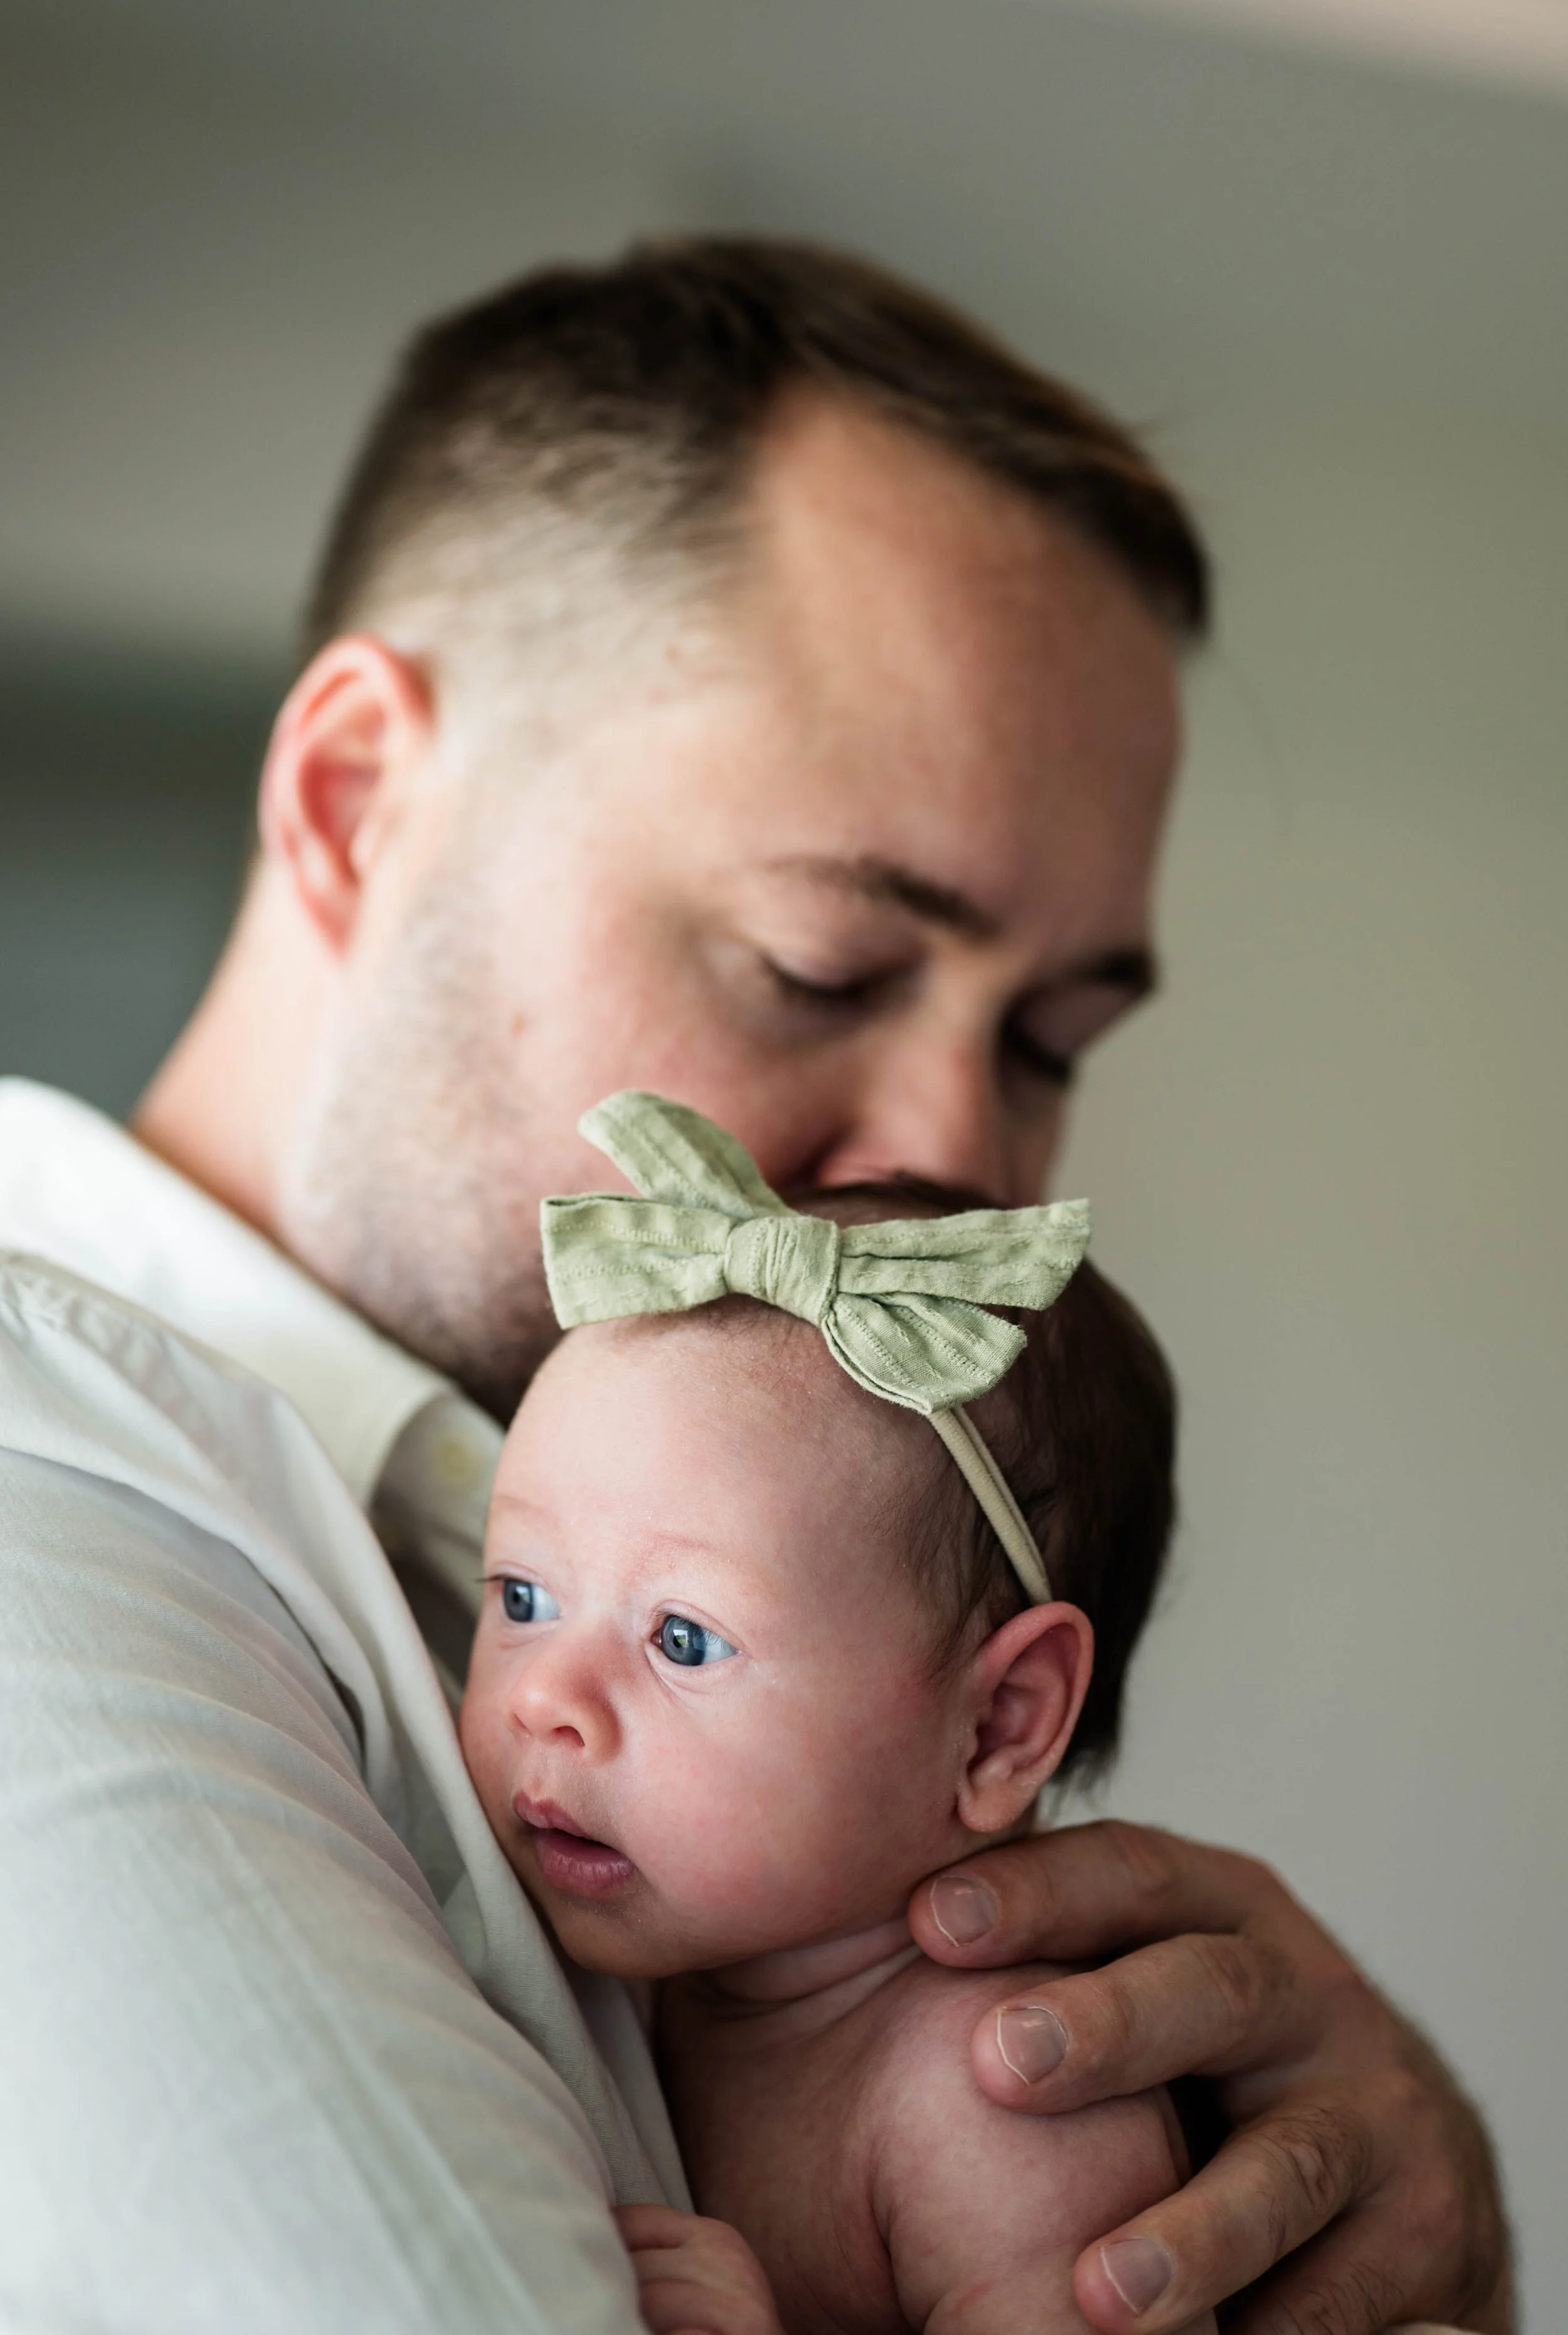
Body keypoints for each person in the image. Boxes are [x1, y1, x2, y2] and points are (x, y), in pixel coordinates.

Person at [0, 238, 1506, 2334]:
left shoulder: (788, 1705)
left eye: (1052, 1036)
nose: (953, 1164)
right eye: (823, 963)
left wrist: (1410, 2239)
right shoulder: (50, 1494)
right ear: (357, 803)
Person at [460, 1088, 1209, 2335]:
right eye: (523, 1594)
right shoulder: (654, 1956)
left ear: (998, 1725)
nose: (546, 1698)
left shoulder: (996, 2100)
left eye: (683, 1638)